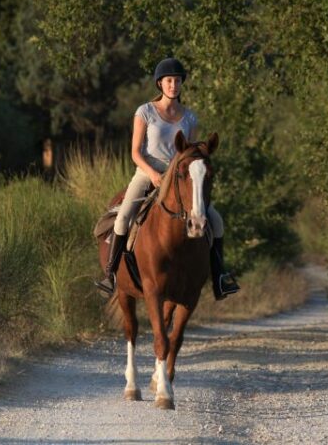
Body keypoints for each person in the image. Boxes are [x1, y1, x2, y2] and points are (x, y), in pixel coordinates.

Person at [96, 57, 240, 300]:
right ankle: (110, 275)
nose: (174, 85)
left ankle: (220, 277)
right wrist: (152, 174)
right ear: (160, 84)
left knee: (216, 222)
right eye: (169, 81)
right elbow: (135, 152)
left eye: (178, 81)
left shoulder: (190, 118)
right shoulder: (145, 112)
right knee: (122, 220)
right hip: (147, 173)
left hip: (178, 178)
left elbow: (191, 154)